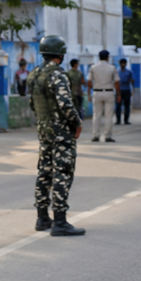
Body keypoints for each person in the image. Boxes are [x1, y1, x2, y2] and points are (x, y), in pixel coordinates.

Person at [28, 35, 86, 237]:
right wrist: (77, 123)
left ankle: (42, 217)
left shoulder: (34, 74)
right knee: (62, 172)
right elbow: (65, 104)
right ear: (61, 54)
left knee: (44, 171)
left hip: (44, 129)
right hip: (61, 132)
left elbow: (32, 104)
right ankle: (60, 221)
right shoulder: (58, 75)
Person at [88, 49, 119, 142]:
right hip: (109, 92)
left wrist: (92, 90)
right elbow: (117, 83)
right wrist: (118, 94)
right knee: (108, 115)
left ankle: (96, 135)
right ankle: (108, 136)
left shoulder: (93, 67)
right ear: (107, 57)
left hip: (97, 92)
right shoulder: (112, 68)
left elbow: (89, 82)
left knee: (96, 115)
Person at [116, 58, 135, 125]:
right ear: (120, 64)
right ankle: (118, 120)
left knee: (127, 106)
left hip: (127, 89)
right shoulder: (117, 72)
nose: (123, 65)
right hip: (119, 90)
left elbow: (132, 80)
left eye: (124, 63)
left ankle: (126, 120)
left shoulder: (129, 72)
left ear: (126, 64)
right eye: (122, 63)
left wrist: (133, 89)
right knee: (118, 106)